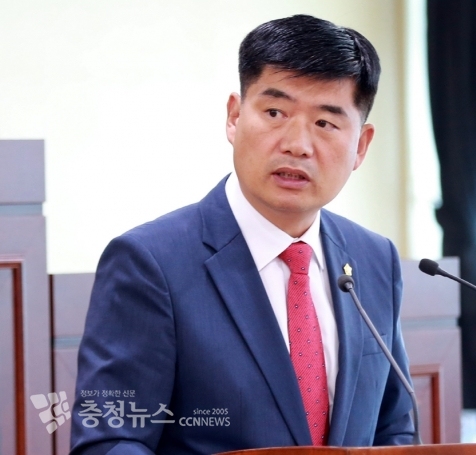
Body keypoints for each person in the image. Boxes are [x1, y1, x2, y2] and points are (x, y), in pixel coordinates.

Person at [70, 14, 415, 455]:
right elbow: (111, 441)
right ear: (234, 117)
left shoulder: (374, 258)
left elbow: (394, 429)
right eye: (275, 113)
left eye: (325, 124)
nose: (297, 144)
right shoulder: (149, 263)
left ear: (361, 146)